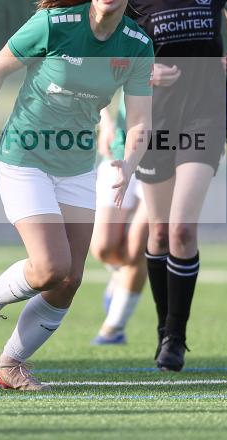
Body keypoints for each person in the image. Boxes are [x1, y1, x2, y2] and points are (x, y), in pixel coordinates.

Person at [0, 0, 154, 391]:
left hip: (78, 167)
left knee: (70, 279)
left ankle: (10, 364)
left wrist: (127, 161)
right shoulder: (54, 24)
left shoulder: (137, 44)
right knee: (49, 266)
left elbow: (139, 122)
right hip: (25, 158)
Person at [128, 0, 227, 371]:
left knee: (181, 227)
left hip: (204, 111)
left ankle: (176, 338)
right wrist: (143, 72)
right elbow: (114, 51)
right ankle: (164, 329)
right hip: (154, 118)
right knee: (158, 232)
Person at [89, 98, 150, 345]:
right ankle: (119, 274)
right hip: (122, 149)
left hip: (169, 153)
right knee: (103, 247)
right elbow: (97, 78)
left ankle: (113, 329)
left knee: (137, 246)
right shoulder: (136, 56)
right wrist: (105, 121)